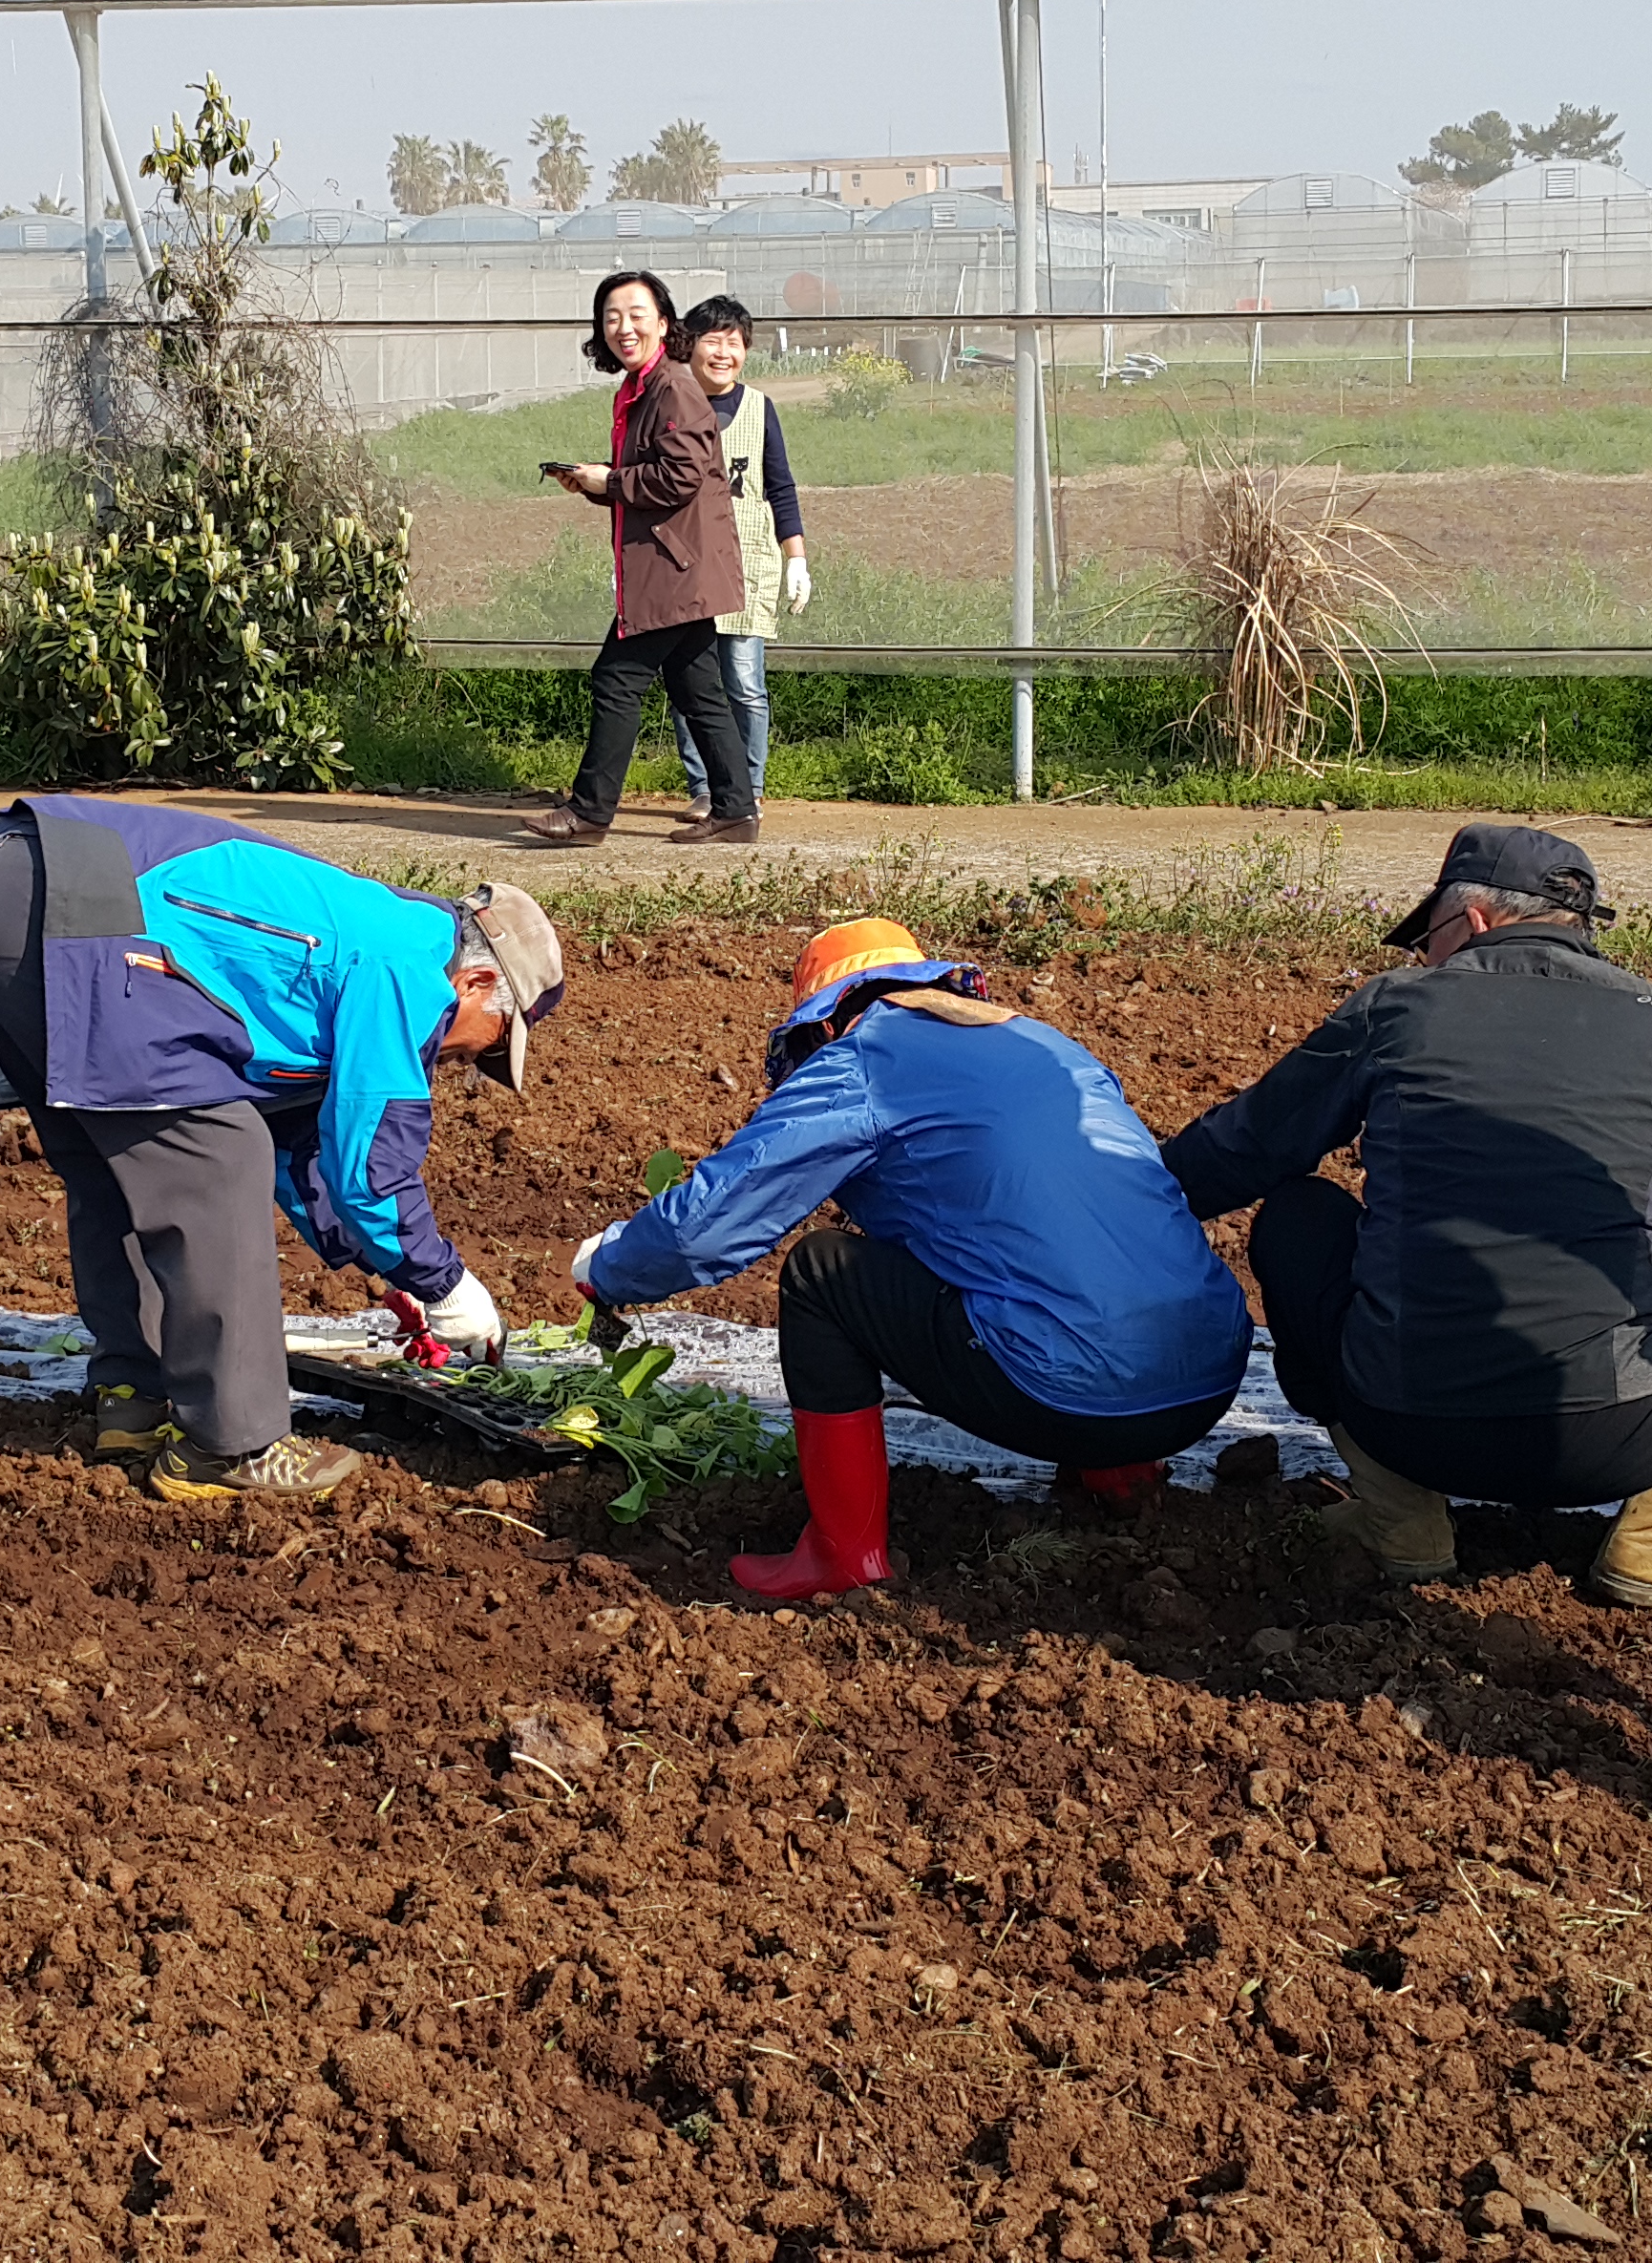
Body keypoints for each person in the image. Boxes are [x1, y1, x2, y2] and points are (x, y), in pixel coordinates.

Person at [1167, 826, 1652, 1608]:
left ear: (1474, 921)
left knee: (1295, 1212)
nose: (1423, 959)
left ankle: (1399, 1519)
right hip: (1616, 1439)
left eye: (1430, 940)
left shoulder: (1395, 1008)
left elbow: (1243, 1150)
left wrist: (1118, 1204)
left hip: (1401, 1420)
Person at [570, 920, 1253, 1603]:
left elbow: (704, 1231)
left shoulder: (863, 1057)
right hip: (1208, 1379)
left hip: (1068, 1396)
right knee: (1047, 1253)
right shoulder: (1046, 1045)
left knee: (820, 1274)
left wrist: (611, 1268)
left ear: (825, 1018)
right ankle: (1122, 1478)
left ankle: (843, 1557)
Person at [0, 794, 567, 1501]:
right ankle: (230, 1446)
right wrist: (444, 1284)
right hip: (65, 901)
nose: (464, 1062)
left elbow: (301, 1145)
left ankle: (134, 1400)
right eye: (492, 1043)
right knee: (219, 1155)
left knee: (122, 1165)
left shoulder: (370, 926)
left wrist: (383, 1268)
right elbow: (372, 1170)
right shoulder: (409, 966)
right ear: (476, 982)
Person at [516, 273, 759, 848]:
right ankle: (736, 809)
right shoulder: (640, 387)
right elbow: (655, 477)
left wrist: (612, 480)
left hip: (674, 570)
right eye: (611, 317)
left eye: (636, 313)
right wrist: (595, 483)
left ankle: (590, 814)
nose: (623, 327)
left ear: (664, 323)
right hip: (679, 565)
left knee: (616, 679)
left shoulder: (672, 387)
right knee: (699, 691)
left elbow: (680, 475)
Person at [667, 302, 811, 813]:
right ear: (690, 345)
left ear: (745, 351)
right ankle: (705, 789)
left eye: (734, 343)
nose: (723, 353)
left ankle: (747, 789)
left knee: (745, 683)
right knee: (692, 686)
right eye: (713, 341)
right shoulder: (670, 405)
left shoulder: (759, 408)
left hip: (749, 563)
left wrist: (797, 560)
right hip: (684, 565)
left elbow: (781, 487)